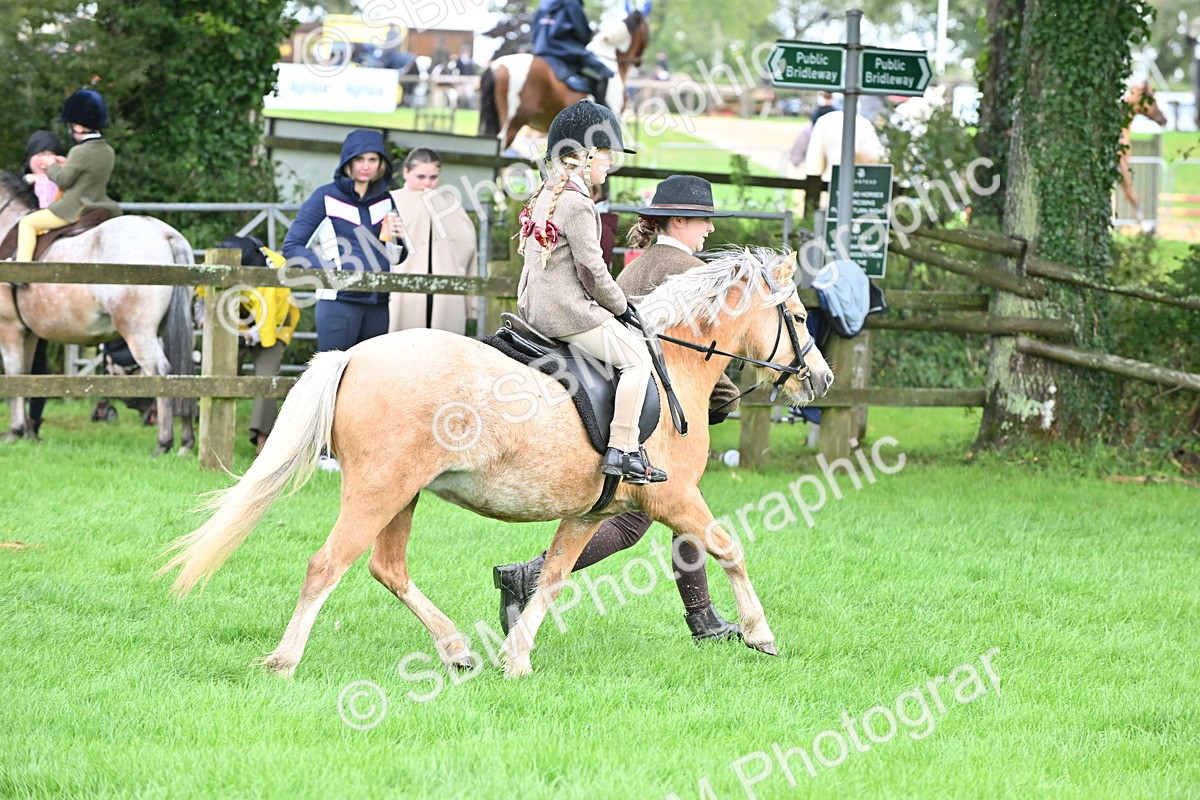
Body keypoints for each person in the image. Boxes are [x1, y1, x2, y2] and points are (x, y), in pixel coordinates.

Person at [495, 174, 744, 643]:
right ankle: (529, 576)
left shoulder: (636, 265)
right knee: (645, 521)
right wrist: (723, 397)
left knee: (675, 513)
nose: (709, 231)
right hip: (661, 413)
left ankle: (703, 619)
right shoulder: (690, 273)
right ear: (679, 221)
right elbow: (698, 354)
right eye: (704, 222)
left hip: (619, 401)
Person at [515, 99, 662, 485]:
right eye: (607, 155)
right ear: (586, 154)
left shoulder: (547, 194)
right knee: (637, 359)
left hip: (534, 305)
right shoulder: (579, 203)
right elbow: (593, 272)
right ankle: (623, 448)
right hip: (566, 311)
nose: (611, 163)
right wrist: (621, 306)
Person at [282, 129, 406, 471]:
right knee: (330, 378)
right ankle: (321, 450)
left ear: (381, 164)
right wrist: (329, 269)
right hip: (337, 302)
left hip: (377, 303)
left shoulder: (388, 201)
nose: (365, 166)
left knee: (369, 382)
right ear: (347, 164)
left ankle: (360, 452)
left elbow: (397, 257)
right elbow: (292, 247)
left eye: (372, 159)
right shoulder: (326, 197)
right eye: (358, 160)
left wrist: (393, 240)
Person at [200, 236, 301, 455]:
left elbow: (272, 322)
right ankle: (211, 437)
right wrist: (208, 320)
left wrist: (251, 335)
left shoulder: (275, 269)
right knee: (220, 372)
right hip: (234, 320)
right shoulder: (217, 261)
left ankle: (264, 443)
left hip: (274, 324)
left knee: (265, 379)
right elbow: (201, 295)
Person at [15, 89, 121, 264]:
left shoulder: (79, 150)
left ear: (79, 127)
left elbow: (64, 180)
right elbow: (87, 173)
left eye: (71, 126)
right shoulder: (108, 151)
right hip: (100, 203)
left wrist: (51, 165)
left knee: (27, 223)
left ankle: (21, 270)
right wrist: (65, 163)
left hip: (75, 208)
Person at [388, 148, 478, 335]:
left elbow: (468, 247)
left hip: (445, 292)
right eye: (420, 177)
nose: (427, 183)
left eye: (433, 177)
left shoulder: (450, 202)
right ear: (406, 172)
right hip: (403, 291)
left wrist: (471, 302)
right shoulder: (391, 200)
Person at [16, 130, 66, 437]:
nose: (44, 160)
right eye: (40, 154)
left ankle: (34, 419)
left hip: (42, 287)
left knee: (39, 358)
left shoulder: (60, 187)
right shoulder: (16, 187)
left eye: (51, 154)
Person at [530, 0, 614, 106]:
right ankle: (599, 115)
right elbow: (582, 30)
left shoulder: (543, 3)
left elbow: (533, 30)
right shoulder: (572, 2)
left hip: (540, 51)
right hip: (565, 50)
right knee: (604, 72)